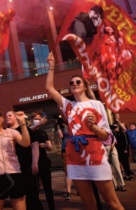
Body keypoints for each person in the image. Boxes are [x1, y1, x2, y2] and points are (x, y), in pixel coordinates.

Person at [45, 52, 124, 210]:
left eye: (78, 81)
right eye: (71, 82)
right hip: (74, 156)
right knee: (88, 204)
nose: (74, 84)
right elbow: (49, 88)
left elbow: (106, 135)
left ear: (85, 85)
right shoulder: (68, 105)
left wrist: (94, 127)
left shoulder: (96, 104)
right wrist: (52, 67)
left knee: (113, 203)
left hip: (95, 153)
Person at [5, 111, 44, 210]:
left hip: (27, 167)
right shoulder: (5, 132)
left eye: (9, 115)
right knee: (19, 198)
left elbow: (35, 146)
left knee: (32, 196)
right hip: (14, 169)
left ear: (16, 117)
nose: (7, 117)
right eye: (6, 116)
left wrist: (35, 163)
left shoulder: (26, 130)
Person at [29, 112, 55, 210]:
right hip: (32, 164)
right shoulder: (29, 131)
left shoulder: (43, 132)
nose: (38, 120)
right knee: (34, 190)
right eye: (36, 119)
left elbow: (50, 147)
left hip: (44, 163)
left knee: (48, 188)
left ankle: (51, 207)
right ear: (31, 120)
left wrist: (46, 145)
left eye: (39, 119)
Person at [55, 115, 73, 200]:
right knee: (67, 171)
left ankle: (80, 190)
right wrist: (58, 125)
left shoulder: (70, 124)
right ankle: (68, 192)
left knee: (77, 170)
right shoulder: (60, 128)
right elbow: (61, 136)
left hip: (74, 149)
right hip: (65, 149)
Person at [112, 115, 134, 180]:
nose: (116, 128)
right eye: (114, 127)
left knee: (125, 163)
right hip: (117, 150)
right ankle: (123, 175)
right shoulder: (114, 134)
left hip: (123, 150)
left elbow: (126, 141)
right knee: (119, 164)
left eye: (117, 127)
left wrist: (126, 149)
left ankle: (128, 175)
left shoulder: (123, 132)